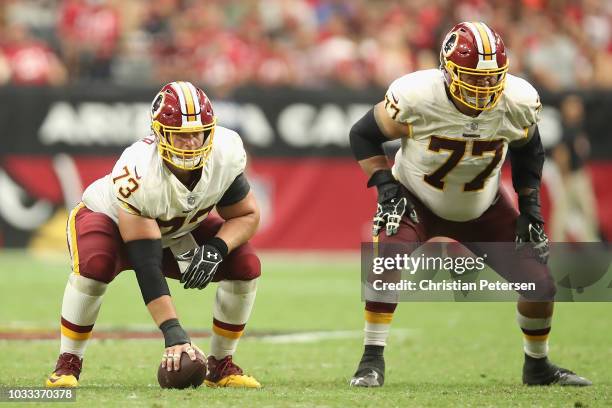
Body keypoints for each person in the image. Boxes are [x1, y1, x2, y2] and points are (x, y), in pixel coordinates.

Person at [348, 22, 591, 387]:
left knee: (541, 284)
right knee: (387, 262)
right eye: (473, 78)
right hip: (417, 198)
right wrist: (386, 188)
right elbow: (363, 134)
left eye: (491, 78)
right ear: (448, 71)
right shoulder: (418, 94)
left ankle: (537, 366)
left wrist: (531, 210)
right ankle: (370, 361)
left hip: (483, 206)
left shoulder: (516, 100)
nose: (483, 87)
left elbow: (530, 151)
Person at [45, 81, 262, 389]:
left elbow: (247, 214)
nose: (190, 143)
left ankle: (220, 366)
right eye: (180, 136)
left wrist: (217, 247)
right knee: (96, 264)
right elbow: (147, 265)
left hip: (174, 228)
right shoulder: (138, 171)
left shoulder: (225, 153)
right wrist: (173, 332)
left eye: (196, 134)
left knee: (245, 265)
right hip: (106, 218)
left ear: (210, 131)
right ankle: (68, 364)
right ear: (161, 134)